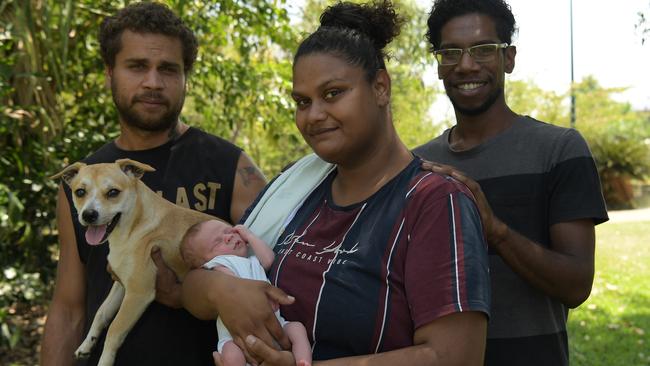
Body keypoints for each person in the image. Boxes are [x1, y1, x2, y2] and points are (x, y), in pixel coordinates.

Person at [182, 1, 491, 365]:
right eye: (302, 101)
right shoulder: (298, 190)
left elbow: (455, 357)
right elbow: (191, 283)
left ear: (380, 87)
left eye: (332, 94)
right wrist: (222, 290)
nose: (313, 115)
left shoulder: (434, 202)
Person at [40, 3, 268, 365]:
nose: (152, 82)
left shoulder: (231, 166)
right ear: (108, 73)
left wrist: (192, 292)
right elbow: (68, 306)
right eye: (136, 66)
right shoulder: (83, 184)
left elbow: (274, 277)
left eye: (168, 69)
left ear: (184, 79)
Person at [413, 0, 609, 365]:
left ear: (509, 59)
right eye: (451, 52)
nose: (467, 64)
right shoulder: (418, 166)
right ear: (439, 65)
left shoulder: (560, 149)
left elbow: (577, 285)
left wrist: (495, 230)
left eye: (484, 49)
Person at [180, 220, 312, 366]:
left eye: (229, 231)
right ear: (203, 263)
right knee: (231, 353)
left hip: (276, 324)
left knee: (297, 329)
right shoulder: (219, 265)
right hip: (236, 336)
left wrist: (249, 236)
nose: (228, 237)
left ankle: (303, 361)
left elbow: (269, 260)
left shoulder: (252, 260)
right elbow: (232, 288)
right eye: (217, 242)